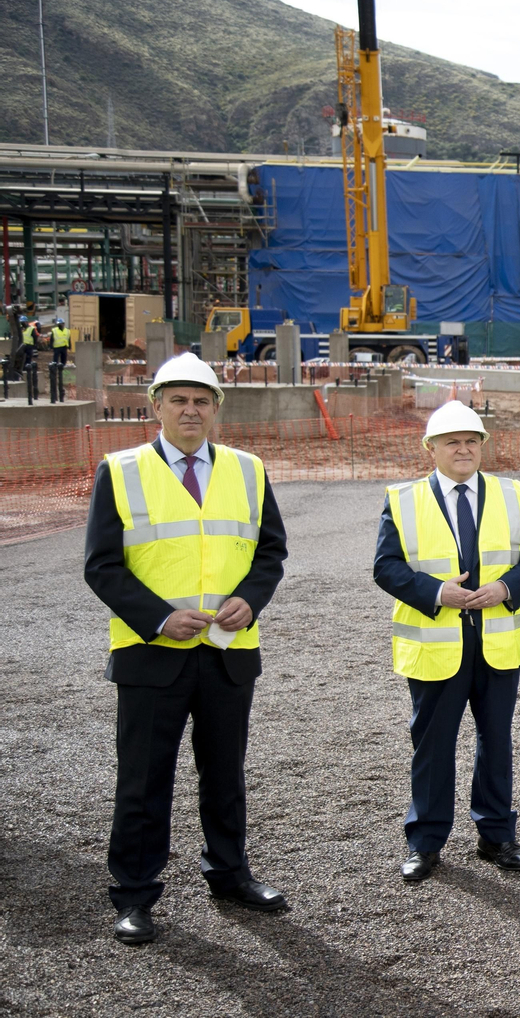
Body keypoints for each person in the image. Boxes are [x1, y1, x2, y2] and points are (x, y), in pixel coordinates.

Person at [82, 352, 289, 945]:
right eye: (178, 399)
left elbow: (269, 552)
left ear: (217, 408)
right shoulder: (120, 471)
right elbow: (102, 566)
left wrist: (252, 598)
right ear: (156, 406)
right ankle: (135, 894)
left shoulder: (248, 470)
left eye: (201, 400)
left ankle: (229, 875)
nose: (190, 410)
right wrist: (159, 618)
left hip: (228, 651)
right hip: (152, 655)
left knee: (224, 775)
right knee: (145, 779)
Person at [372, 400, 520, 882]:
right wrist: (437, 591)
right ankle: (425, 842)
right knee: (432, 745)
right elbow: (385, 567)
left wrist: (506, 588)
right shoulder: (404, 498)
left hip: (497, 642)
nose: (464, 449)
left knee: (496, 741)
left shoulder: (513, 493)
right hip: (436, 644)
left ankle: (496, 836)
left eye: (472, 440)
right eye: (452, 441)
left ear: (483, 447)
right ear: (430, 447)